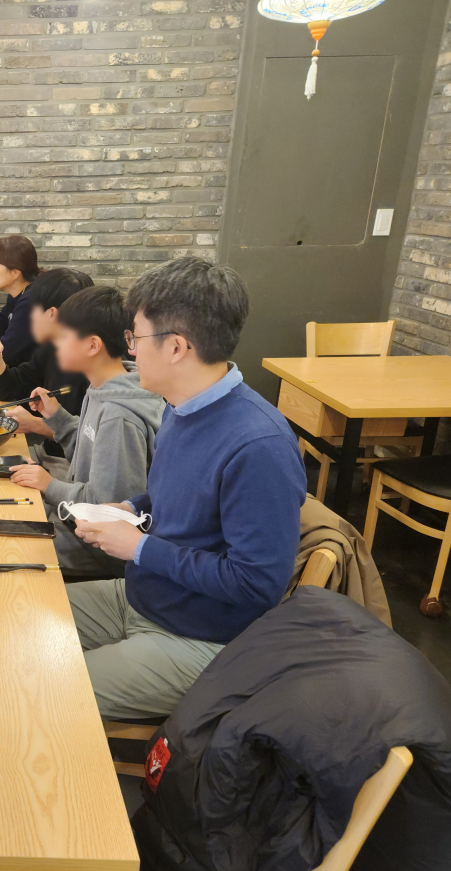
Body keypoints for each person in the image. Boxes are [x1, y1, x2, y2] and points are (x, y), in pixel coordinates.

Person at [64, 257, 306, 720]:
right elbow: (175, 497)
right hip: (146, 597)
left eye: (135, 337)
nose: (130, 351)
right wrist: (131, 507)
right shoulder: (181, 406)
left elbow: (256, 583)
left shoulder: (259, 446)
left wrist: (139, 547)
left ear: (176, 346)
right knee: (20, 625)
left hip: (203, 638)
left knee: (42, 688)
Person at [6, 286, 164, 579]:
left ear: (92, 345)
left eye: (62, 337)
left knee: (8, 553)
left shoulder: (119, 416)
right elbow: (90, 448)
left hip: (98, 550)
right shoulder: (104, 387)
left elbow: (107, 508)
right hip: (76, 524)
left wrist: (49, 485)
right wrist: (59, 419)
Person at [0, 268, 93, 468]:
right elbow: (8, 389)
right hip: (46, 453)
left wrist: (35, 425)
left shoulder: (92, 364)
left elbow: (92, 441)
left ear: (51, 314)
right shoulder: (52, 349)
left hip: (71, 465)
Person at [0, 234, 40, 368]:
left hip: (32, 379)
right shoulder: (17, 295)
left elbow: (5, 353)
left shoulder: (31, 300)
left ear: (15, 272)